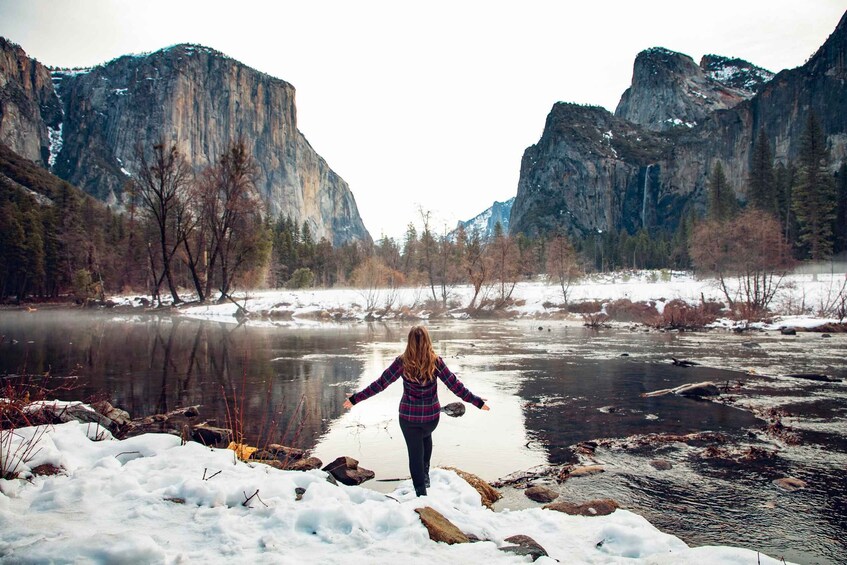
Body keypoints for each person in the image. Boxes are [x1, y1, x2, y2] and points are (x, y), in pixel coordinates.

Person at [343, 325, 490, 496]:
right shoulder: (436, 362)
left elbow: (380, 384)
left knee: (415, 455)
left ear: (409, 342)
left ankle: (421, 493)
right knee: (425, 438)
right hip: (431, 417)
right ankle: (425, 476)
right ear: (428, 341)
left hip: (408, 418)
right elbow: (455, 386)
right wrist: (477, 401)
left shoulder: (402, 362)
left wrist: (355, 398)